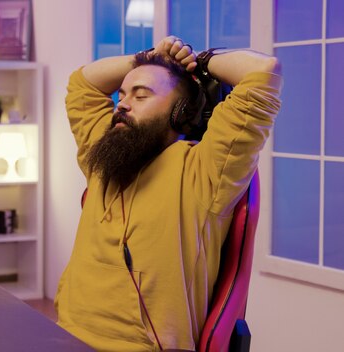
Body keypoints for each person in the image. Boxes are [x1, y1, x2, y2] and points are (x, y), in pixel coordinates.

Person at [54, 36, 282, 351]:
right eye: (122, 94)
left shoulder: (207, 172)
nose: (122, 104)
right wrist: (149, 56)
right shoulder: (105, 155)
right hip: (62, 334)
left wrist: (198, 61)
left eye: (141, 95)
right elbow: (83, 83)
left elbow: (263, 71)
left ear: (180, 112)